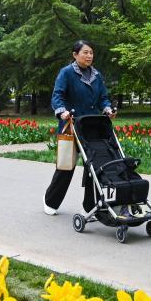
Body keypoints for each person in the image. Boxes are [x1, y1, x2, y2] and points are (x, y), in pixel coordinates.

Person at [43, 40, 114, 216]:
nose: (89, 56)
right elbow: (57, 96)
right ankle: (51, 201)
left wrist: (108, 108)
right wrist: (62, 112)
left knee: (95, 166)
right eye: (85, 52)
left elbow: (103, 97)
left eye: (91, 52)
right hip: (71, 125)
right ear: (75, 55)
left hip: (91, 127)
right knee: (66, 166)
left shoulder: (97, 75)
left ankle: (90, 206)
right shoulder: (66, 73)